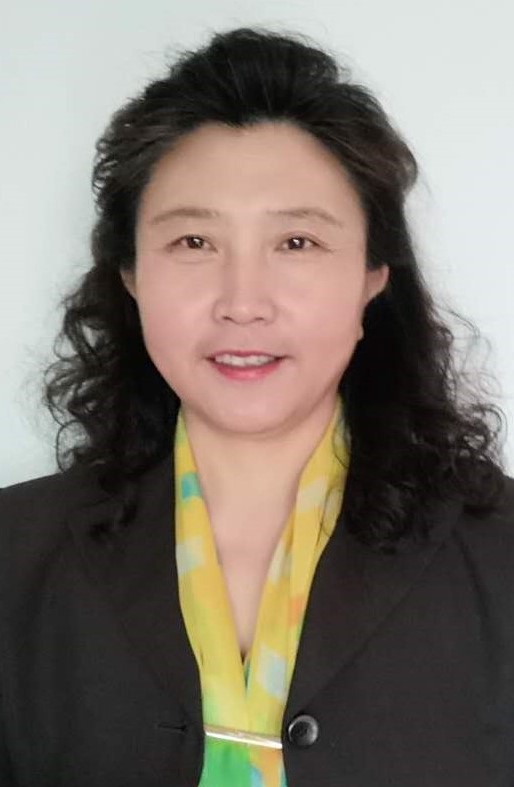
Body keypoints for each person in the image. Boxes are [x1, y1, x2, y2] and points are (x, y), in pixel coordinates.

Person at [0, 25, 513, 787]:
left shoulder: (500, 555)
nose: (243, 302)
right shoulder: (13, 556)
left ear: (374, 275)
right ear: (131, 273)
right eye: (194, 242)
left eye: (297, 242)